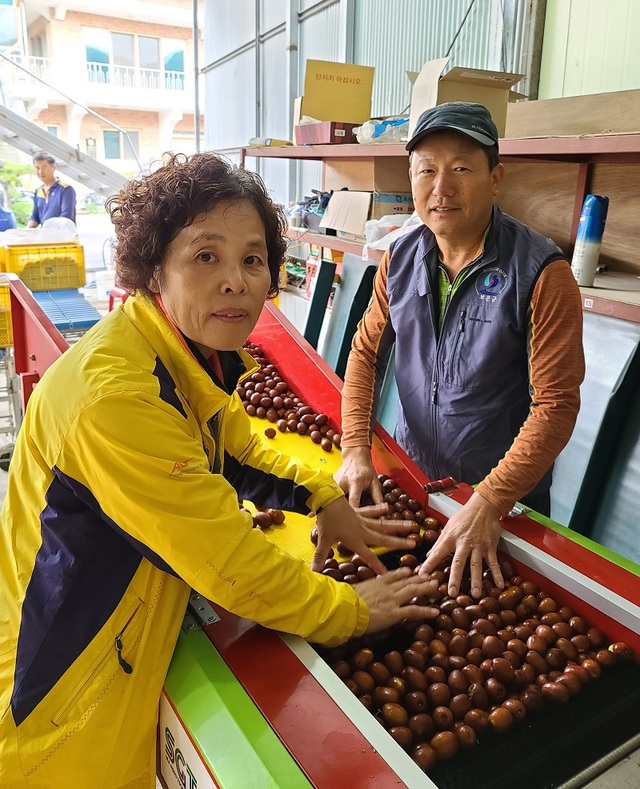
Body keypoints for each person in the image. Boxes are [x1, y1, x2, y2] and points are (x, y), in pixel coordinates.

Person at [0, 152, 438, 788]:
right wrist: (350, 610)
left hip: (114, 665)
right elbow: (228, 563)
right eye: (206, 256)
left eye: (252, 259)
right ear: (155, 268)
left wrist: (325, 500)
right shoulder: (116, 397)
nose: (236, 280)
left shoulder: (178, 357)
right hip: (60, 711)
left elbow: (233, 448)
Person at [335, 102, 585, 601]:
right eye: (426, 170)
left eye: (461, 169)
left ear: (495, 178)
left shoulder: (541, 273)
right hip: (417, 480)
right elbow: (365, 354)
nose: (441, 188)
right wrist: (355, 449)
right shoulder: (400, 258)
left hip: (504, 503)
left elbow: (556, 405)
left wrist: (490, 502)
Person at [27, 151, 76, 227]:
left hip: (63, 236)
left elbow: (66, 216)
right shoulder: (38, 191)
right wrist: (26, 230)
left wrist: (49, 229)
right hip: (45, 237)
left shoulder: (65, 189)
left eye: (44, 167)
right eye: (37, 168)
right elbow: (35, 217)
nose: (40, 172)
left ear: (53, 167)